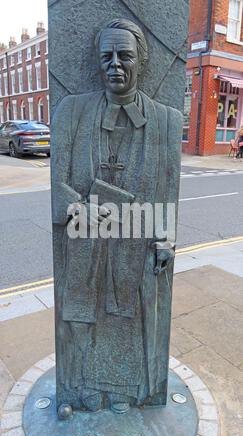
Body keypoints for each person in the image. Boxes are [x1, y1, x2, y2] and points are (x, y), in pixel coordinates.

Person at [52, 19, 182, 414]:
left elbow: (168, 190)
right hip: (87, 242)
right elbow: (57, 189)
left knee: (124, 318)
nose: (114, 65)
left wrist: (165, 238)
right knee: (84, 315)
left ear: (142, 60)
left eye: (124, 56)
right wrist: (88, 212)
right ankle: (81, 390)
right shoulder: (71, 112)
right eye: (106, 56)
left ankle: (126, 390)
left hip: (135, 245)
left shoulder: (167, 120)